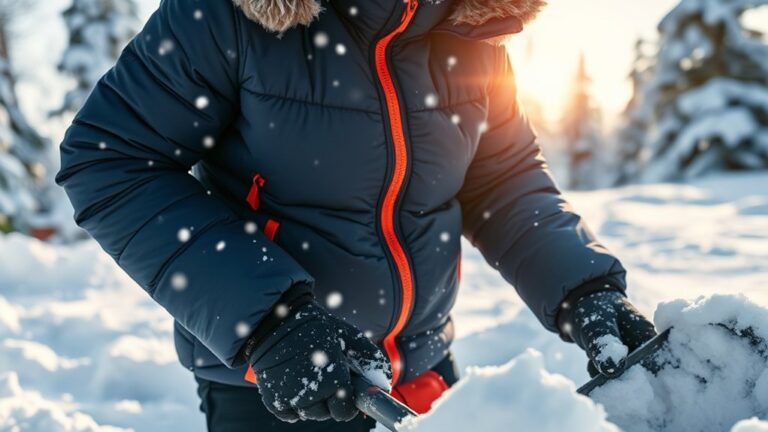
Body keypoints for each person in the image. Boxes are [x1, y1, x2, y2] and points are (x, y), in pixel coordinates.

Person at [56, 0, 657, 430]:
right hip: (278, 383)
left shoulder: (471, 28)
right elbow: (110, 162)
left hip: (422, 372)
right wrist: (271, 323)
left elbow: (500, 177)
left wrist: (584, 289)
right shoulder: (225, 17)